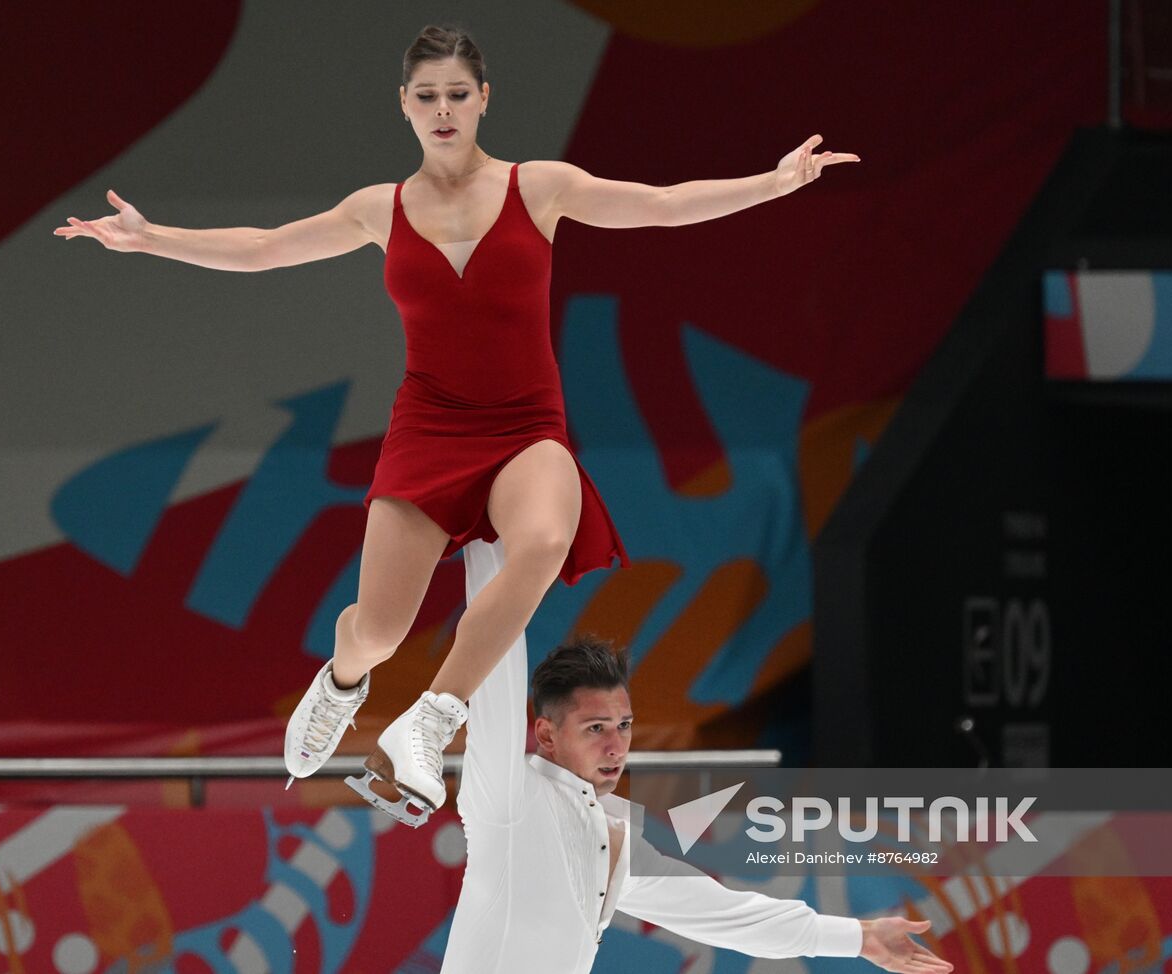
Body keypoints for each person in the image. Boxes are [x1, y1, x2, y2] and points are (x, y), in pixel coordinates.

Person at [54, 24, 860, 826]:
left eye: (459, 95)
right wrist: (151, 239)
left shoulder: (538, 187)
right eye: (428, 96)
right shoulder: (380, 208)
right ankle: (341, 681)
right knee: (376, 631)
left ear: (483, 102)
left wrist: (776, 182)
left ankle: (433, 717)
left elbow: (660, 207)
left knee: (544, 539)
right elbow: (264, 248)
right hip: (429, 431)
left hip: (525, 427)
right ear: (405, 106)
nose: (444, 110)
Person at [444, 541, 952, 973]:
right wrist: (488, 540)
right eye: (595, 728)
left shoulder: (611, 841)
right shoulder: (507, 798)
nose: (615, 745)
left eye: (623, 726)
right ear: (546, 736)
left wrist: (859, 938)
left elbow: (726, 915)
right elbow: (494, 661)